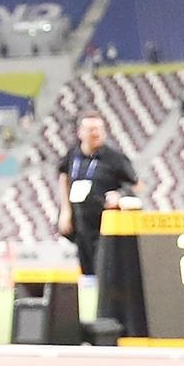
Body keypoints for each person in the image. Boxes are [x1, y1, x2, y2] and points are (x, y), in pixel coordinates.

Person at [56, 113, 138, 278]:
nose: (96, 133)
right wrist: (65, 211)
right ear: (81, 133)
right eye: (91, 129)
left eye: (99, 129)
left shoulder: (115, 158)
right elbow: (63, 175)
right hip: (80, 222)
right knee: (86, 269)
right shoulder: (73, 154)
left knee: (104, 267)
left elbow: (135, 184)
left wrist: (119, 194)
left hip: (105, 223)